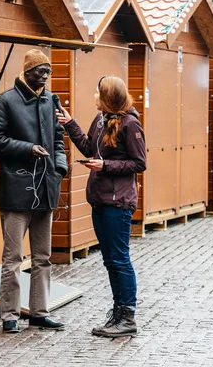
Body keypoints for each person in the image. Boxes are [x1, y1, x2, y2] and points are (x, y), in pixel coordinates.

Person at [0, 49, 68, 334]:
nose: (45, 75)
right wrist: (27, 149)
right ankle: (9, 314)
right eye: (40, 70)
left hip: (46, 188)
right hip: (17, 189)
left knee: (43, 257)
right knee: (13, 258)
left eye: (48, 71)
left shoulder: (49, 100)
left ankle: (39, 312)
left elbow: (58, 138)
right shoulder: (6, 101)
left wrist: (60, 169)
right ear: (27, 71)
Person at [56, 76, 146, 338]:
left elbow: (139, 163)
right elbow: (87, 147)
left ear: (108, 96)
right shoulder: (100, 120)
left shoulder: (131, 124)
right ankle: (118, 313)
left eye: (97, 93)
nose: (94, 96)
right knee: (109, 261)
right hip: (100, 199)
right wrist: (70, 124)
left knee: (120, 259)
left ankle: (127, 315)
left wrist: (105, 166)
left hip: (118, 203)